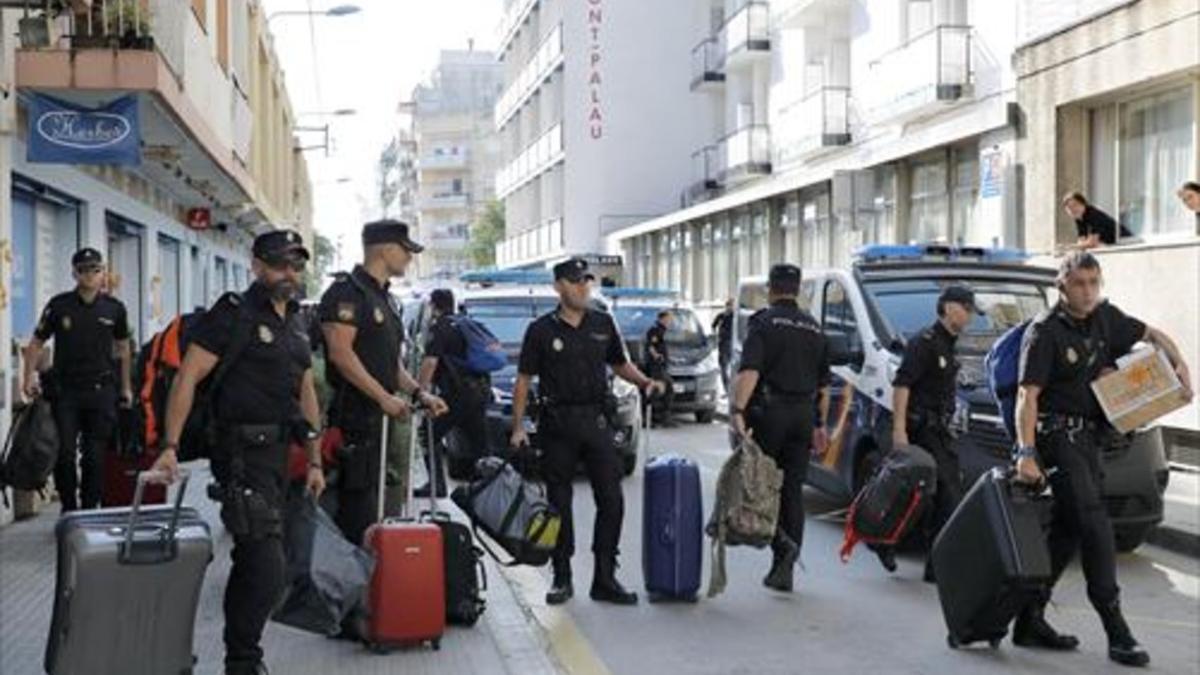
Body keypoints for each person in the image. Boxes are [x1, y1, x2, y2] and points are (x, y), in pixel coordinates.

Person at [150, 229, 327, 675]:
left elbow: (305, 390)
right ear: (257, 266)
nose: (290, 273)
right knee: (264, 562)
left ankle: (242, 657)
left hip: (281, 456)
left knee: (259, 560)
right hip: (240, 454)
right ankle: (243, 661)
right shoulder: (233, 314)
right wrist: (169, 446)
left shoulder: (297, 321)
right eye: (280, 264)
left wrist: (316, 458)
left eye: (296, 264)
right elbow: (188, 377)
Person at [1013, 251, 1193, 666]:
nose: (1088, 291)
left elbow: (1152, 333)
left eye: (1094, 282)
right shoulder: (1044, 332)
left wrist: (1180, 363)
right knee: (1095, 526)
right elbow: (1029, 396)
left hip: (1091, 439)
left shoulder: (1105, 318)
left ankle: (1029, 619)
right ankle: (1117, 631)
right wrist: (1026, 453)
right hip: (1058, 437)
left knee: (1067, 532)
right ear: (1062, 287)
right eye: (1079, 283)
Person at [509, 258, 664, 606]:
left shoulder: (602, 323)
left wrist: (644, 382)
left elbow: (619, 364)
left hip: (596, 421)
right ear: (559, 287)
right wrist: (518, 427)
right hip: (557, 425)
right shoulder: (541, 330)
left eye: (587, 282)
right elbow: (523, 380)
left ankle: (605, 577)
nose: (584, 288)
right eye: (577, 282)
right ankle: (562, 577)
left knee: (612, 500)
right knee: (558, 503)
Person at [318, 219, 448, 545]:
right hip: (352, 422)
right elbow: (340, 354)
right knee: (355, 514)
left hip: (379, 423)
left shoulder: (385, 300)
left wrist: (419, 393)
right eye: (406, 250)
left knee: (378, 510)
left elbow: (391, 366)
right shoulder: (347, 293)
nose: (409, 258)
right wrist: (382, 398)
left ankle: (372, 586)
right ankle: (350, 588)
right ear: (386, 248)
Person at [729, 264, 831, 593]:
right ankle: (783, 567)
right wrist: (819, 424)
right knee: (792, 491)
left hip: (770, 414)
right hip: (803, 415)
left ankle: (777, 542)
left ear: (771, 290)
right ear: (798, 290)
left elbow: (751, 372)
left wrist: (737, 411)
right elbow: (824, 387)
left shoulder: (763, 323)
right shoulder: (815, 328)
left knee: (759, 484)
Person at [876, 285, 978, 581]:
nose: (971, 315)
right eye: (966, 308)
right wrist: (899, 431)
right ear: (948, 308)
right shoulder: (924, 342)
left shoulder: (949, 344)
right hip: (920, 429)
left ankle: (896, 545)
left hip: (940, 431)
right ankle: (934, 566)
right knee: (944, 492)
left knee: (933, 496)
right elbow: (902, 385)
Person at [22, 248, 133, 512]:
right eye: (84, 270)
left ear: (103, 272)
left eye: (95, 269)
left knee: (95, 457)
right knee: (65, 454)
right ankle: (69, 508)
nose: (90, 275)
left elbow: (124, 348)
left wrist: (126, 386)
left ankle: (90, 507)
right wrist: (26, 378)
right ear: (74, 273)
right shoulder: (59, 306)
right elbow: (36, 343)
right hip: (66, 392)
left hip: (101, 391)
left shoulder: (114, 308)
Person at [418, 288, 492, 486]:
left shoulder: (440, 327)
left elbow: (430, 363)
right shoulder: (465, 323)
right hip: (480, 391)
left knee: (426, 434)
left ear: (434, 306)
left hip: (458, 394)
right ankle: (490, 486)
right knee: (480, 445)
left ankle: (436, 484)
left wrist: (420, 392)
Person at [643, 310, 676, 428]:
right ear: (662, 318)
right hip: (656, 366)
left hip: (662, 366)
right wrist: (656, 356)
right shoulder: (654, 330)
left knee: (668, 390)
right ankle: (648, 417)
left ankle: (663, 418)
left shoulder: (662, 330)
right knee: (657, 391)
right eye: (669, 318)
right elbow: (650, 346)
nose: (670, 321)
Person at [1063, 192, 1128, 248]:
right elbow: (1081, 241)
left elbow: (1092, 243)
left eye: (1075, 205)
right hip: (1111, 246)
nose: (1073, 209)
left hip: (1125, 242)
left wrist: (1069, 247)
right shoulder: (1079, 218)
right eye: (1069, 207)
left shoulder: (1093, 214)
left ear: (1083, 204)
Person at [712, 299, 734, 391]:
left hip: (732, 344)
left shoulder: (735, 317)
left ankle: (731, 388)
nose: (730, 308)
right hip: (723, 344)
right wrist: (716, 335)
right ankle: (726, 388)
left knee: (730, 367)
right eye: (728, 305)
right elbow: (713, 326)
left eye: (731, 306)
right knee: (723, 367)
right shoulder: (721, 316)